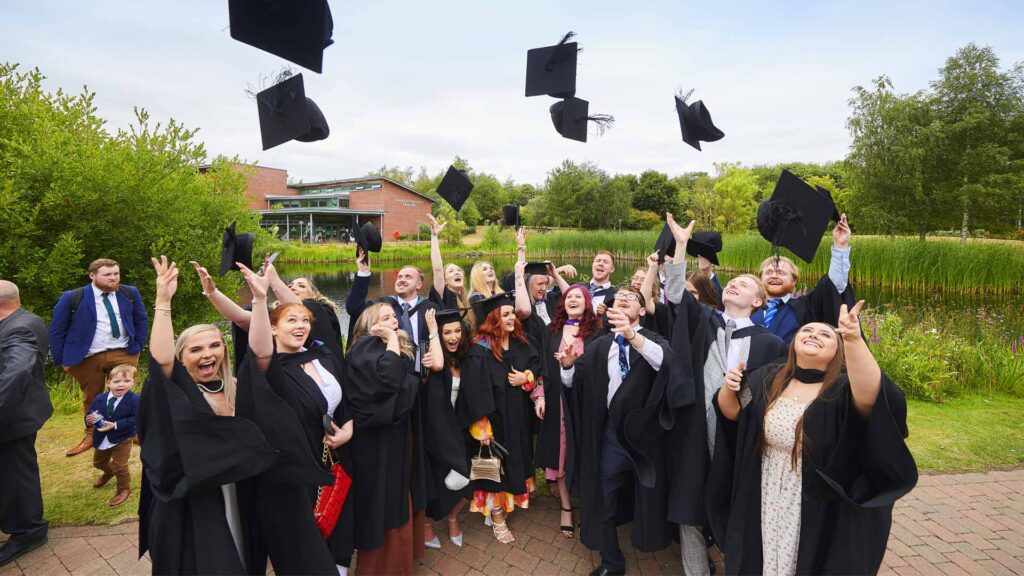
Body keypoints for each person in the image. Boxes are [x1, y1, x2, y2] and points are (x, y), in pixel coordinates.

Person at [712, 303, 918, 575]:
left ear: (838, 352)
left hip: (814, 499)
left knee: (805, 559)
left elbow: (873, 399)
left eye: (826, 335)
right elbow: (732, 412)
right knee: (762, 554)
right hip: (768, 486)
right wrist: (728, 388)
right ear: (794, 342)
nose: (813, 335)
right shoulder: (768, 378)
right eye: (807, 330)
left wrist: (854, 338)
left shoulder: (843, 389)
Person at [660, 214, 786, 576]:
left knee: (735, 510)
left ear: (758, 301)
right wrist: (681, 245)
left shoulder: (771, 344)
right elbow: (674, 294)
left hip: (739, 438)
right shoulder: (705, 320)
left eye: (745, 284)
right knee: (690, 508)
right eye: (732, 282)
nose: (734, 285)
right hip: (696, 430)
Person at [138, 256, 280, 574]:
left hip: (238, 494)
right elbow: (160, 363)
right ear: (181, 357)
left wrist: (259, 300)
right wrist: (163, 302)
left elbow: (262, 352)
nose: (208, 354)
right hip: (193, 500)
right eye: (196, 349)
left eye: (215, 346)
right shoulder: (179, 397)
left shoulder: (236, 389)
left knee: (244, 556)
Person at [240, 269, 354, 576]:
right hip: (295, 464)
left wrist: (349, 426)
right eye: (291, 321)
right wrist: (262, 298)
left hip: (330, 457)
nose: (300, 325)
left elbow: (344, 397)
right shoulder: (272, 367)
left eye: (304, 320)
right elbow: (258, 345)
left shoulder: (322, 354)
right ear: (273, 329)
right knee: (302, 539)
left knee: (332, 520)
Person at [558, 285, 676, 576]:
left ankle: (679, 547)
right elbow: (575, 385)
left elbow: (667, 364)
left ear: (641, 311)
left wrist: (632, 336)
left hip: (647, 439)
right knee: (604, 500)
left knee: (655, 496)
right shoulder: (599, 346)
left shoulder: (652, 340)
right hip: (611, 438)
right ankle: (612, 561)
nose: (622, 300)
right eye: (617, 299)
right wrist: (569, 367)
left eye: (631, 299)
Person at [344, 302, 429, 575]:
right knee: (381, 496)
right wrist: (392, 338)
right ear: (371, 323)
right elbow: (390, 379)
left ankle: (398, 563)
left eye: (394, 316)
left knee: (395, 491)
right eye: (386, 317)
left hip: (394, 434)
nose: (393, 320)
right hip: (376, 440)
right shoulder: (365, 346)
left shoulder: (387, 346)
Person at [458, 292, 541, 544]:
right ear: (493, 318)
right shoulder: (478, 349)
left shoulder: (520, 342)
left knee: (514, 465)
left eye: (511, 313)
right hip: (493, 422)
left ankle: (505, 505)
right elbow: (472, 392)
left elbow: (537, 364)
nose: (511, 317)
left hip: (518, 419)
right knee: (494, 471)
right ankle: (496, 517)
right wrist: (481, 428)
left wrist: (526, 377)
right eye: (505, 314)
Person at [50, 258, 149, 457]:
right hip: (87, 356)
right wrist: (62, 360)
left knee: (126, 394)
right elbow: (57, 330)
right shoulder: (72, 297)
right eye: (108, 274)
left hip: (123, 351)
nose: (113, 278)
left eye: (116, 274)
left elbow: (141, 319)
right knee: (92, 397)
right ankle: (91, 433)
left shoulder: (129, 293)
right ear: (92, 276)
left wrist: (138, 345)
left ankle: (133, 432)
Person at [531, 282, 603, 539]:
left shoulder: (597, 331)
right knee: (560, 454)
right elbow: (540, 366)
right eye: (569, 296)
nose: (573, 300)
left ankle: (587, 508)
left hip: (587, 403)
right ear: (563, 302)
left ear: (587, 302)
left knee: (586, 453)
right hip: (557, 401)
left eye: (579, 297)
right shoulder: (551, 331)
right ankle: (565, 507)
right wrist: (539, 395)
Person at [0, 281, 52, 568]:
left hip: (13, 417)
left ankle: (28, 532)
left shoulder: (21, 327)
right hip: (14, 412)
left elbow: (16, 373)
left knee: (17, 475)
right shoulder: (17, 321)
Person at [753, 214, 854, 345]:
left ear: (794, 281)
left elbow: (833, 286)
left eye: (781, 273)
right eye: (769, 272)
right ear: (760, 278)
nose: (774, 276)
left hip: (787, 364)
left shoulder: (805, 307)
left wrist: (840, 245)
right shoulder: (745, 305)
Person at [420, 309, 472, 549]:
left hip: (459, 428)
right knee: (432, 480)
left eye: (457, 331)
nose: (453, 337)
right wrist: (432, 331)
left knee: (465, 477)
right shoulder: (428, 357)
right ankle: (428, 525)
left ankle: (452, 518)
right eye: (447, 332)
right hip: (434, 429)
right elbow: (437, 367)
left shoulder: (468, 358)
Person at [86, 363, 139, 508]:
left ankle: (123, 489)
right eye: (117, 381)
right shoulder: (100, 399)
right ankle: (109, 473)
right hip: (102, 437)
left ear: (133, 382)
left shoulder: (135, 400)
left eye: (127, 381)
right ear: (109, 383)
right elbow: (91, 414)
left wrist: (115, 425)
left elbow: (137, 419)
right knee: (98, 463)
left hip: (123, 437)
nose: (121, 385)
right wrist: (89, 420)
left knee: (120, 465)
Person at [425, 215, 472, 315]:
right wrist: (434, 237)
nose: (457, 273)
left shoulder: (467, 300)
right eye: (451, 271)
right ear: (445, 281)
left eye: (458, 270)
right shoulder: (445, 296)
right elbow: (438, 269)